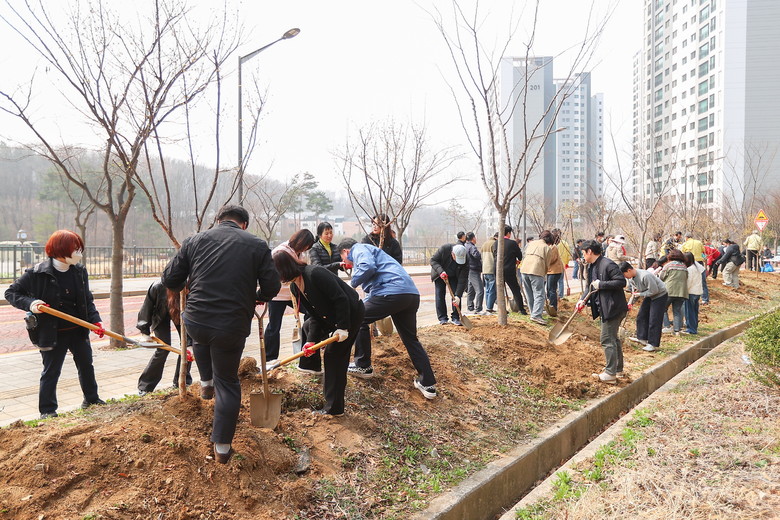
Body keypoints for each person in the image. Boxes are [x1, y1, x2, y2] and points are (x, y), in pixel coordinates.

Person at [161, 204, 281, 464]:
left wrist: (187, 286)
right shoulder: (257, 244)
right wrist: (258, 296)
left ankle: (206, 382)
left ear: (218, 220)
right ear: (244, 224)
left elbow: (169, 279)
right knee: (227, 382)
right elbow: (272, 286)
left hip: (196, 319)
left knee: (202, 337)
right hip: (231, 324)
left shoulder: (194, 240)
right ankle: (222, 448)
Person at [5, 229, 106, 419]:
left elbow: (87, 299)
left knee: (86, 365)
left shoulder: (79, 271)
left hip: (78, 329)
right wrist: (32, 304)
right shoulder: (37, 273)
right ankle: (47, 410)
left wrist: (96, 321)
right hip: (51, 332)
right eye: (75, 249)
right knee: (51, 371)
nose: (79, 253)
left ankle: (91, 399)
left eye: (80, 249)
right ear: (61, 250)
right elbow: (11, 293)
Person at [339, 239, 437, 399]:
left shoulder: (358, 249)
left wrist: (352, 283)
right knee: (411, 339)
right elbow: (372, 283)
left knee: (357, 318)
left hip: (391, 293)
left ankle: (362, 365)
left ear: (345, 251)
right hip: (410, 295)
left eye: (343, 258)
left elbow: (367, 266)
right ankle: (428, 383)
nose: (345, 262)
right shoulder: (376, 254)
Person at [272, 251, 365, 417]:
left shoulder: (315, 273)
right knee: (308, 327)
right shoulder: (295, 287)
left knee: (334, 355)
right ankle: (311, 366)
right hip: (329, 316)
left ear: (284, 269)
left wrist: (342, 327)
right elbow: (314, 315)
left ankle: (334, 409)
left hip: (350, 313)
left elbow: (341, 298)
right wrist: (311, 342)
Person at [575, 240, 628, 384]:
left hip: (613, 308)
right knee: (613, 338)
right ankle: (618, 369)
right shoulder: (592, 266)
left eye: (583, 252)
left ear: (590, 251)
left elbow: (621, 282)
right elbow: (590, 286)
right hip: (606, 307)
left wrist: (602, 284)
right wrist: (582, 300)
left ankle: (610, 374)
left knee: (606, 339)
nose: (583, 255)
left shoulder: (608, 264)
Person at [265, 230, 316, 372]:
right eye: (306, 245)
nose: (306, 249)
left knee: (311, 313)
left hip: (294, 292)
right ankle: (270, 358)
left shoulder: (298, 252)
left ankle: (306, 348)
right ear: (301, 241)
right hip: (278, 294)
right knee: (274, 326)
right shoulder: (281, 251)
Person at [136, 281, 192, 394]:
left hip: (181, 313)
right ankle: (145, 386)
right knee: (163, 349)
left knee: (187, 350)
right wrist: (144, 331)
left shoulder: (189, 286)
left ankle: (182, 381)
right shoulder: (157, 287)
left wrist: (190, 343)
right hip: (159, 315)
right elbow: (146, 308)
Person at [620, 262, 668, 353]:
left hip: (659, 295)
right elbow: (636, 291)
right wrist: (631, 302)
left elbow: (654, 290)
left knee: (654, 319)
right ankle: (642, 338)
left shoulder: (645, 276)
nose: (625, 277)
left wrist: (640, 294)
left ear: (629, 270)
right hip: (649, 295)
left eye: (624, 274)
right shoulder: (632, 279)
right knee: (641, 316)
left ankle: (653, 344)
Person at [520, 231, 555, 325]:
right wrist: (544, 274)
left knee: (529, 293)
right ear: (549, 241)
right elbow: (547, 264)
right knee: (540, 294)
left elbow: (524, 255)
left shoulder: (530, 244)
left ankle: (533, 313)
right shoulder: (546, 248)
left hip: (524, 269)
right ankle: (536, 315)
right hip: (536, 270)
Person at [430, 242, 468, 325]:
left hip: (454, 276)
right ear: (452, 254)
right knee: (440, 294)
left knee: (456, 295)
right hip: (440, 273)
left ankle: (456, 317)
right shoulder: (444, 249)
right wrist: (441, 271)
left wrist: (458, 295)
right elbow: (433, 260)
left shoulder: (466, 259)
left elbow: (462, 279)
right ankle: (442, 318)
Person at [492, 225, 527, 314]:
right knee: (515, 289)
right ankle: (521, 310)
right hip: (509, 270)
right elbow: (520, 256)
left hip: (497, 269)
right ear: (508, 233)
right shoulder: (512, 243)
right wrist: (515, 260)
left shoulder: (495, 243)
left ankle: (502, 309)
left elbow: (495, 255)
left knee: (499, 290)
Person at [659, 249, 688, 335]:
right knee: (677, 311)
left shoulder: (668, 265)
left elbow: (661, 277)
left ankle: (667, 327)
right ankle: (676, 330)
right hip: (681, 292)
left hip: (669, 290)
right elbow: (686, 277)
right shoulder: (684, 266)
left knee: (663, 309)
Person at [681, 232, 709, 304]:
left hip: (689, 263)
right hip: (699, 263)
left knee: (689, 280)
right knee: (702, 281)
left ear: (686, 237)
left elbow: (682, 254)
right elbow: (703, 252)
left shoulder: (685, 244)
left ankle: (688, 297)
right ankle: (705, 299)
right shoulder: (699, 242)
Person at [683, 252, 704, 335]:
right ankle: (694, 327)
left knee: (689, 311)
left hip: (691, 292)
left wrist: (684, 291)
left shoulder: (689, 270)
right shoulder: (697, 268)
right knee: (694, 311)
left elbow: (688, 282)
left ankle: (691, 329)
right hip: (697, 292)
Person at [464, 232, 484, 315]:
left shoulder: (465, 246)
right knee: (480, 290)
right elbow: (476, 255)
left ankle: (470, 307)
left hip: (468, 270)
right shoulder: (472, 247)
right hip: (474, 270)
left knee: (471, 290)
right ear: (473, 238)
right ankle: (478, 308)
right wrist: (479, 255)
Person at [480, 233, 498, 313]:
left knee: (487, 289)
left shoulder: (484, 244)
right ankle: (489, 307)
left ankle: (488, 306)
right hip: (491, 269)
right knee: (492, 290)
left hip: (485, 269)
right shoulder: (495, 244)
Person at [553, 229, 572, 299]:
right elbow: (568, 255)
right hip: (562, 265)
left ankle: (555, 295)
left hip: (553, 266)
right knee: (560, 280)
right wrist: (566, 263)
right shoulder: (565, 243)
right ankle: (561, 295)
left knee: (553, 281)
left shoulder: (552, 244)